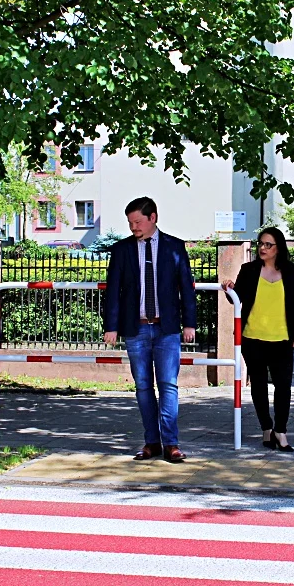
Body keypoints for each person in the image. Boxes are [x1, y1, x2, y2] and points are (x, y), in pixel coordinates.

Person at [104, 197, 197, 463]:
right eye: (130, 223)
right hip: (137, 329)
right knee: (143, 386)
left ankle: (171, 444)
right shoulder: (122, 250)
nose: (134, 227)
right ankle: (151, 442)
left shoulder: (174, 247)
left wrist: (189, 323)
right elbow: (114, 291)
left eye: (138, 222)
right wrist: (111, 327)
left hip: (167, 330)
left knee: (168, 385)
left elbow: (186, 288)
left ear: (152, 218)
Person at [223, 228, 294, 452]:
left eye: (268, 244)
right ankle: (266, 428)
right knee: (258, 386)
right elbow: (237, 301)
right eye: (260, 243)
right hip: (252, 338)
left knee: (283, 387)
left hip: (282, 340)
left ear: (278, 247)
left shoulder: (292, 272)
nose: (262, 248)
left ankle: (281, 430)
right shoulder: (248, 270)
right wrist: (229, 290)